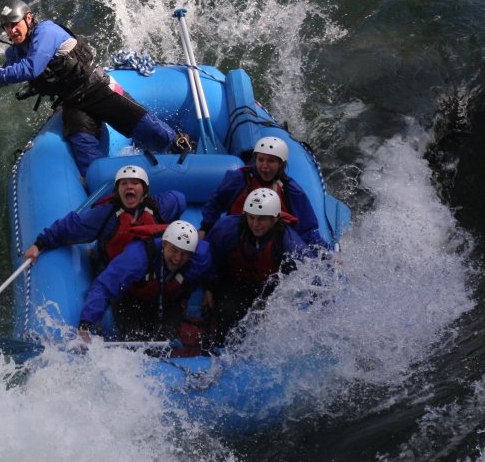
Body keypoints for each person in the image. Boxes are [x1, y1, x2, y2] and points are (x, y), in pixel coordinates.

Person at [0, 0, 190, 176]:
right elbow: (5, 76)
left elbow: (32, 68)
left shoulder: (47, 32)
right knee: (83, 150)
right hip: (73, 101)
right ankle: (105, 190)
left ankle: (183, 151)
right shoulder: (14, 52)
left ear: (29, 18)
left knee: (148, 129)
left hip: (97, 89)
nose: (12, 31)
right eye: (7, 27)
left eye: (15, 24)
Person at [205, 187, 315, 345]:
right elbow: (213, 258)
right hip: (235, 282)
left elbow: (309, 267)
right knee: (228, 311)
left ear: (275, 218)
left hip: (268, 287)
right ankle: (221, 348)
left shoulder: (286, 238)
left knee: (265, 318)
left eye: (262, 219)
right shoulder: (226, 230)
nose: (255, 224)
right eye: (252, 218)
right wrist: (208, 288)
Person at [22, 164, 186, 268]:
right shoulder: (104, 214)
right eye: (124, 184)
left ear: (144, 190)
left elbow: (179, 199)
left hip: (152, 267)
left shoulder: (159, 206)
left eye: (135, 183)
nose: (129, 187)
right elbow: (72, 226)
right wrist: (40, 243)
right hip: (117, 271)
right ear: (117, 191)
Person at [77, 220, 214, 342]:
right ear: (164, 244)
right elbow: (104, 286)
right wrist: (85, 325)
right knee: (135, 340)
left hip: (168, 301)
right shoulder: (138, 257)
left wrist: (208, 289)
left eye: (184, 253)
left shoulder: (200, 257)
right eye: (174, 250)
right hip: (130, 300)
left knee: (166, 342)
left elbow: (208, 271)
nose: (178, 258)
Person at [199, 135, 328, 248]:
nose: (264, 166)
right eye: (261, 160)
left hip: (271, 241)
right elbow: (216, 202)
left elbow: (307, 229)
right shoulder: (239, 178)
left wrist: (325, 254)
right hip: (238, 234)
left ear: (281, 164)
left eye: (271, 161)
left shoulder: (291, 191)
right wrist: (205, 228)